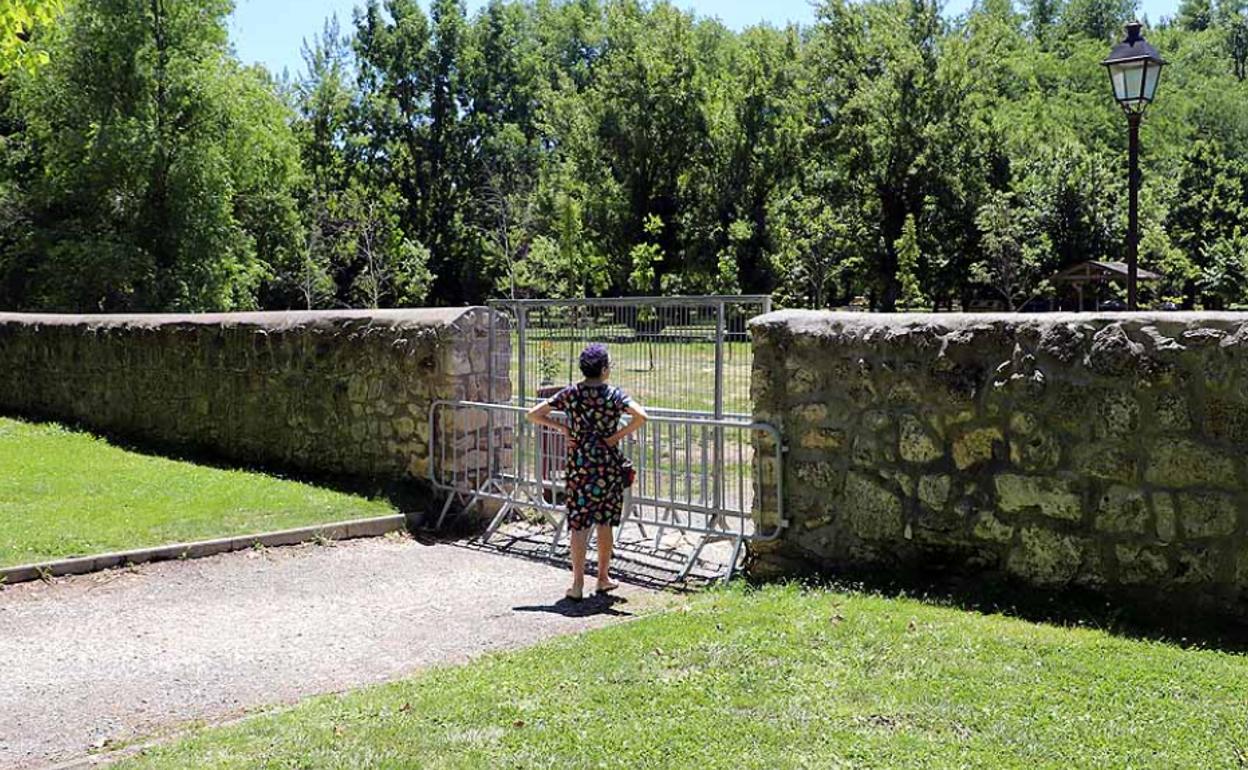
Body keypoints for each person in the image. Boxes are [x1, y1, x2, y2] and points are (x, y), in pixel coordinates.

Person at [527, 343, 648, 601]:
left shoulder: (571, 393)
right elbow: (641, 416)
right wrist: (615, 437)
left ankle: (578, 584)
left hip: (580, 466)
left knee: (579, 524)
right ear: (604, 369)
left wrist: (562, 428)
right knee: (605, 522)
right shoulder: (614, 395)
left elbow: (534, 414)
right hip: (607, 467)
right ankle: (603, 578)